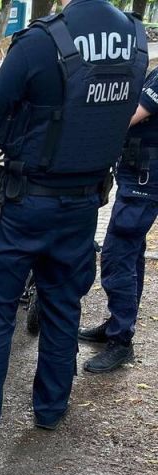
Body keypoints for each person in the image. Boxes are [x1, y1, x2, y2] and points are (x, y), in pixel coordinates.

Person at [0, 0, 148, 451]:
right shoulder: (135, 39)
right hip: (84, 204)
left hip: (23, 206)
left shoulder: (38, 42)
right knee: (63, 306)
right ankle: (51, 408)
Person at [79, 65, 158, 372]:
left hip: (144, 183)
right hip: (137, 178)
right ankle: (118, 325)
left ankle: (121, 341)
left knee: (117, 255)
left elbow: (130, 116)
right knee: (131, 255)